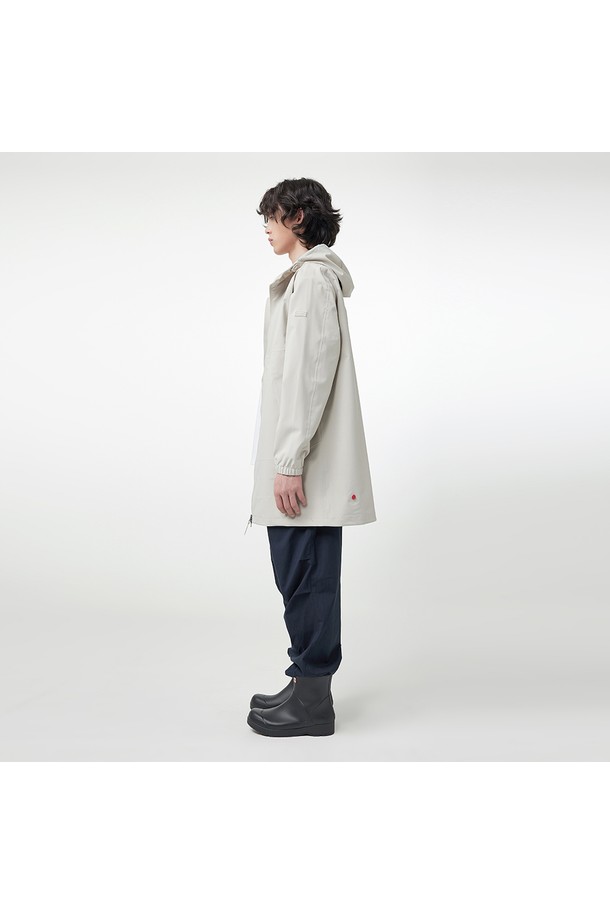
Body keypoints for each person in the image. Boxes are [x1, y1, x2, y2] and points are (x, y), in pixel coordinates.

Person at [245, 177, 376, 738]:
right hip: (300, 460)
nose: (265, 227)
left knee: (307, 575)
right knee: (299, 572)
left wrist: (290, 460)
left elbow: (308, 374)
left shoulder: (313, 280)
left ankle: (314, 703)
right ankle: (304, 681)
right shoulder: (305, 280)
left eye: (271, 216)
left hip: (306, 466)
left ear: (297, 217)